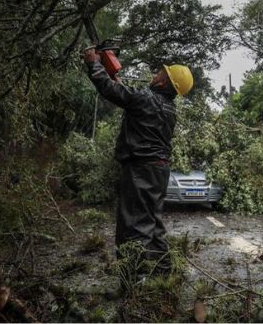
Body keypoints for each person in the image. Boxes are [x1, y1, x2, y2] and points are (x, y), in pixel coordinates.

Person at [82, 48, 193, 276]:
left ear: (164, 82)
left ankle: (132, 285)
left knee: (132, 228)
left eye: (160, 73)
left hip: (140, 170)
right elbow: (126, 95)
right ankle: (163, 277)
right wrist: (112, 71)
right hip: (159, 170)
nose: (155, 74)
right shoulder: (169, 108)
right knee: (153, 225)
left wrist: (94, 63)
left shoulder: (145, 99)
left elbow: (111, 90)